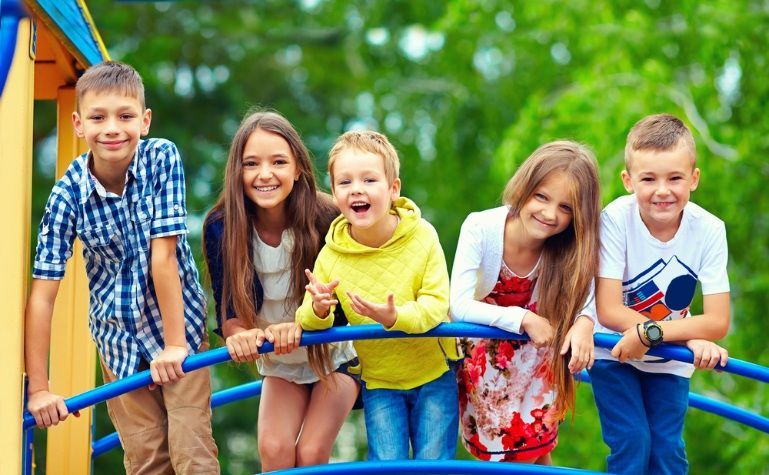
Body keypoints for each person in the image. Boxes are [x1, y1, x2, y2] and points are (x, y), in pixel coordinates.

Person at [24, 61, 219, 474]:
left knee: (191, 448)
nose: (112, 128)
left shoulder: (161, 159)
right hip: (118, 340)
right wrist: (39, 390)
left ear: (145, 121)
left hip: (177, 328)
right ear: (79, 124)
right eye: (98, 117)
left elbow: (162, 257)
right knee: (147, 458)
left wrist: (174, 345)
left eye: (125, 116)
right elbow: (43, 295)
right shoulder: (67, 195)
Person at [202, 111, 359, 472]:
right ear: (237, 172)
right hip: (280, 360)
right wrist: (238, 335)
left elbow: (347, 299)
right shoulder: (221, 226)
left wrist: (303, 326)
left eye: (278, 162)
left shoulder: (328, 217)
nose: (265, 174)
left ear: (298, 169)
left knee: (311, 453)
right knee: (274, 450)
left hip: (334, 354)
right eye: (251, 164)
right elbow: (229, 308)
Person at [296, 130, 461, 461]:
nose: (357, 189)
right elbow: (306, 320)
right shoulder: (332, 254)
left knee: (434, 465)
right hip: (380, 383)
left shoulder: (423, 236)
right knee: (387, 465)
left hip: (434, 374)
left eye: (369, 180)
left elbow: (436, 304)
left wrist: (394, 317)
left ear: (393, 189)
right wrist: (319, 308)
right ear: (335, 193)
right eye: (345, 182)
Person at [590, 113, 730, 475]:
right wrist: (674, 334)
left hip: (670, 358)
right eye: (648, 179)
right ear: (627, 180)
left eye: (675, 178)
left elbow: (717, 321)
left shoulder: (710, 230)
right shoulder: (615, 219)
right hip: (613, 351)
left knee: (668, 451)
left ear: (694, 179)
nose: (662, 190)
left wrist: (663, 337)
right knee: (633, 442)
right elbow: (608, 309)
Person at [450, 140, 601, 464]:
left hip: (537, 363)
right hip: (487, 364)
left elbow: (591, 293)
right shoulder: (481, 227)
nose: (549, 214)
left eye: (565, 208)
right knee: (506, 461)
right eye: (542, 197)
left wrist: (585, 322)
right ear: (526, 187)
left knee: (537, 455)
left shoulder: (569, 247)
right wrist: (521, 318)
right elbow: (459, 304)